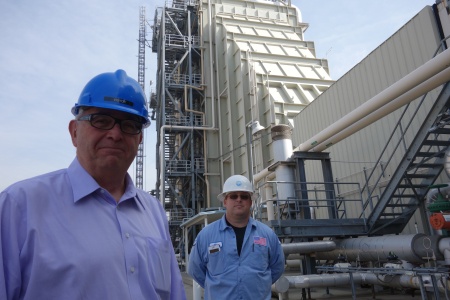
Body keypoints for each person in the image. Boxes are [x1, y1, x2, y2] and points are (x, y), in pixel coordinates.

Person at [0, 70, 186, 300]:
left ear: (139, 139)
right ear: (74, 131)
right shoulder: (19, 206)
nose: (115, 134)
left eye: (129, 125)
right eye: (101, 120)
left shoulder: (154, 212)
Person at [187, 175, 285, 300]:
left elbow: (277, 266)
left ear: (250, 201)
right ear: (225, 201)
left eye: (244, 196)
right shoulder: (206, 236)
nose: (239, 200)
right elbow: (195, 270)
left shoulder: (267, 234)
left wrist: (259, 285)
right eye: (233, 196)